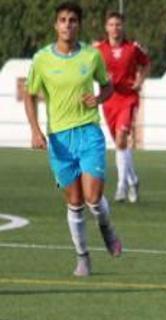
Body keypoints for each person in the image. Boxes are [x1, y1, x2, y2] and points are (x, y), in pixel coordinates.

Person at [24, 1, 122, 277]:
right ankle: (83, 257)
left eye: (73, 20)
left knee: (93, 196)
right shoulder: (42, 59)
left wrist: (99, 97)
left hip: (88, 132)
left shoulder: (91, 57)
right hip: (59, 139)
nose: (68, 25)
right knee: (75, 201)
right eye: (63, 20)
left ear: (79, 26)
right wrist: (34, 130)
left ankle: (106, 227)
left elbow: (108, 86)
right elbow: (30, 95)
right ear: (56, 25)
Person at [94, 10, 150, 203]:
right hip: (109, 100)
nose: (115, 28)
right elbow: (90, 69)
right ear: (106, 27)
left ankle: (121, 186)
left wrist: (140, 80)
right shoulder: (99, 49)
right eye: (111, 24)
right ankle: (133, 180)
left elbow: (146, 63)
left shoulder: (132, 48)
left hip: (128, 99)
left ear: (123, 26)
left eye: (118, 24)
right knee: (121, 146)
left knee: (120, 140)